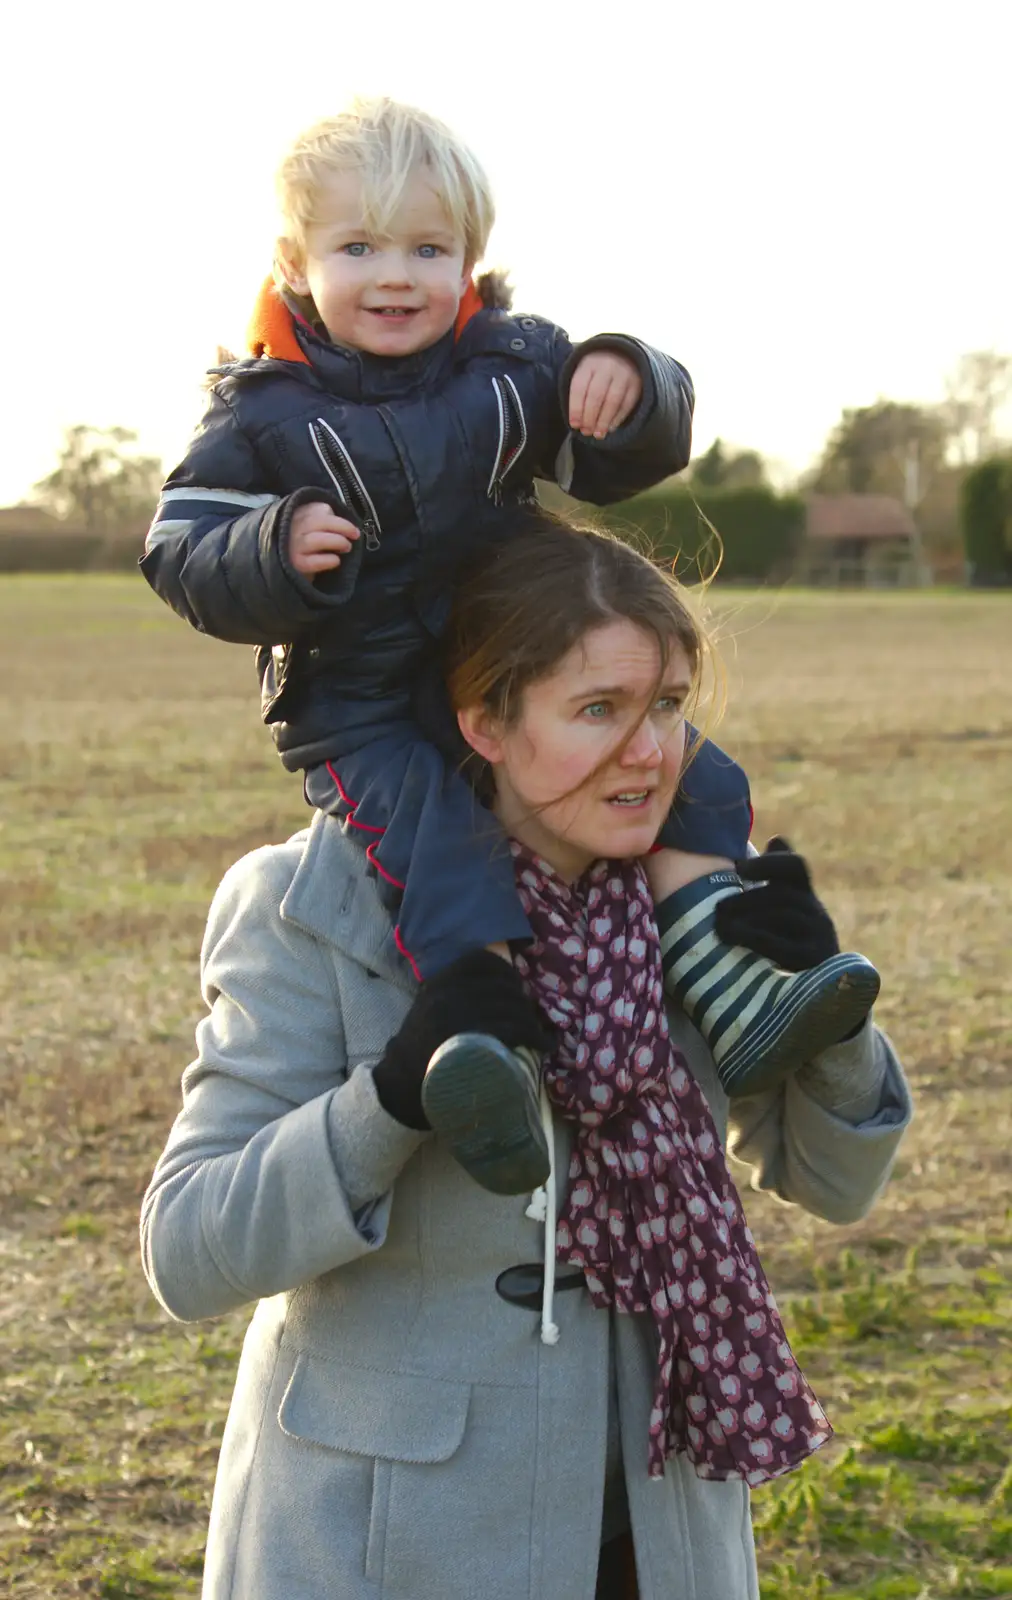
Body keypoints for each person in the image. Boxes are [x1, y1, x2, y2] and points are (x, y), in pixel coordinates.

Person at [141, 518, 912, 1600]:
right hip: (390, 1544)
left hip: (653, 1536)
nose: (649, 753)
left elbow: (836, 1183)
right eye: (598, 709)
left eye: (669, 707)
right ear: (485, 720)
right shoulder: (311, 906)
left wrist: (826, 1025)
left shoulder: (687, 906)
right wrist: (392, 1098)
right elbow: (186, 1249)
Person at [139, 96, 879, 1197]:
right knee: (439, 839)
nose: (396, 274)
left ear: (471, 262)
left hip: (509, 653)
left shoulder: (512, 367)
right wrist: (271, 545)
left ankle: (724, 963)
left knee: (690, 770)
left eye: (427, 248)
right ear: (296, 264)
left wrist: (626, 381)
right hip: (359, 698)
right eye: (360, 247)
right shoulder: (256, 415)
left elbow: (641, 443)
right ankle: (478, 1040)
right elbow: (179, 547)